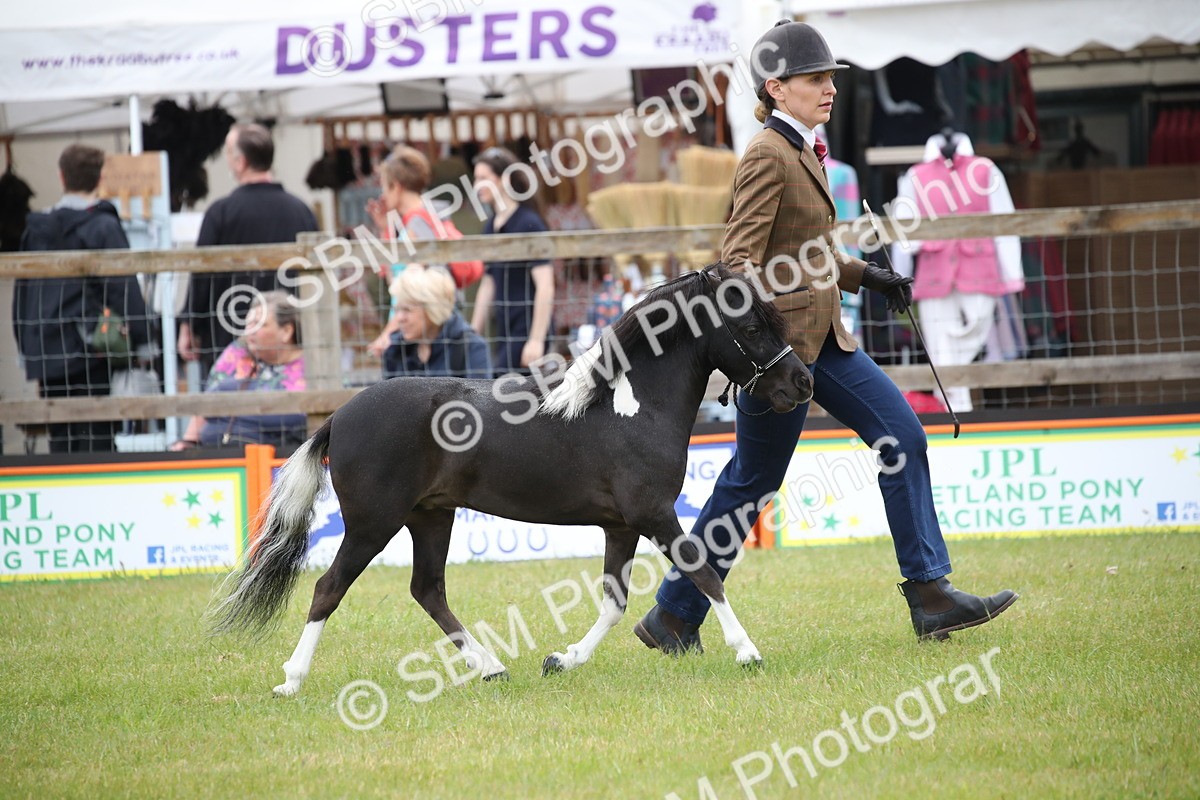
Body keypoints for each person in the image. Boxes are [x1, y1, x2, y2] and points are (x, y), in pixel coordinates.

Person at [634, 20, 1018, 653]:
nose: (829, 89)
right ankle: (675, 613)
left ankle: (929, 595)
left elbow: (804, 250)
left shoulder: (801, 148)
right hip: (783, 353)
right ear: (778, 88)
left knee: (894, 440)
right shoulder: (766, 152)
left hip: (826, 340)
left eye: (831, 79)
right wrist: (762, 346)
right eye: (816, 80)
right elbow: (739, 263)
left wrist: (863, 273)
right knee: (755, 480)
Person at [13, 144, 152, 453]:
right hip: (92, 345)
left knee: (60, 437)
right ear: (100, 178)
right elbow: (122, 286)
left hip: (46, 347)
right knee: (98, 434)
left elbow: (23, 291)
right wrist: (142, 337)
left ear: (61, 176)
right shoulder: (103, 225)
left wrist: (27, 345)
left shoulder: (36, 229)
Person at [178, 123, 318, 377]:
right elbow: (317, 277)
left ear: (241, 162)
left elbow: (200, 275)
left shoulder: (220, 213)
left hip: (228, 337)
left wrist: (189, 324)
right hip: (288, 340)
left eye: (229, 155)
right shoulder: (301, 211)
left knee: (229, 413)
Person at [170, 291, 306, 450]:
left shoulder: (315, 367)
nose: (250, 331)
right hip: (216, 452)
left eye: (259, 324)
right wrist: (188, 442)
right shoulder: (237, 353)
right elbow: (206, 402)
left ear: (287, 331)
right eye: (248, 324)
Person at [469, 147, 555, 375]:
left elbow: (546, 285)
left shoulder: (529, 223)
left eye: (483, 179)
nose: (477, 185)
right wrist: (473, 332)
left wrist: (536, 339)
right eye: (475, 179)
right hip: (503, 327)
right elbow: (488, 283)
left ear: (504, 179)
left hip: (528, 326)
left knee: (504, 386)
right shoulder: (490, 227)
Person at [382, 265, 492, 379]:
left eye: (407, 309)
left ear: (432, 309)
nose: (399, 318)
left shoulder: (470, 347)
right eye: (397, 309)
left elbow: (478, 396)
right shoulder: (395, 349)